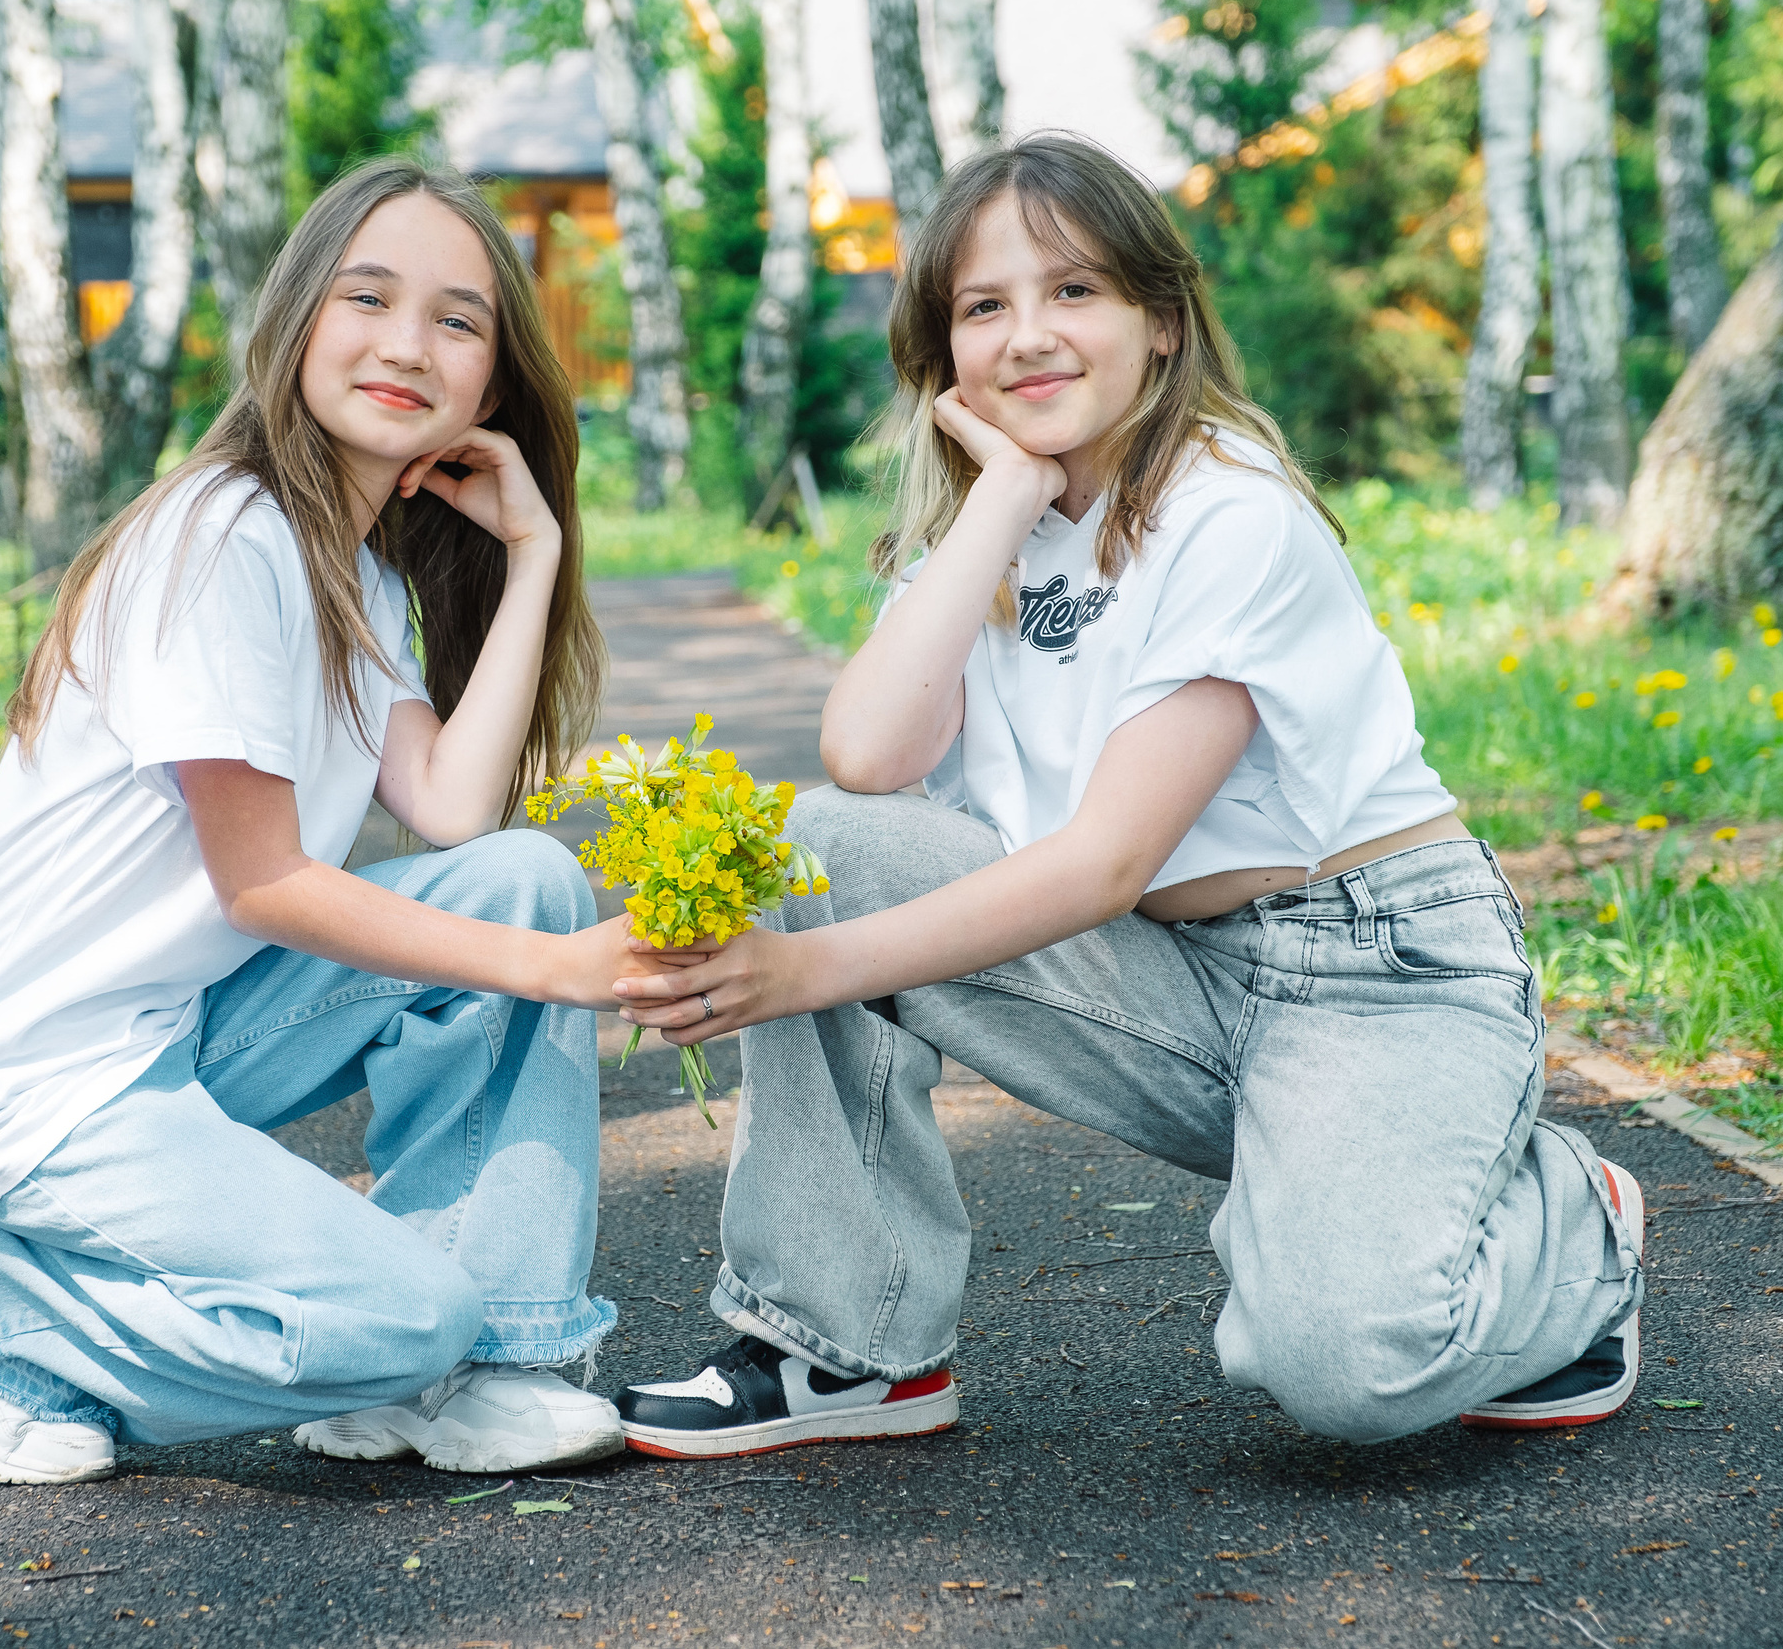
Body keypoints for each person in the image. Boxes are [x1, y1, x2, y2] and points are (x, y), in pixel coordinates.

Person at [605, 133, 1643, 1458]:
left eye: (1073, 291)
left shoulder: (1233, 514)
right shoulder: (992, 528)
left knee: (1344, 1363)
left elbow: (1101, 863)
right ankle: (844, 1343)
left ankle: (1579, 1220)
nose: (1028, 336)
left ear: (1159, 321)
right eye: (985, 307)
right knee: (826, 843)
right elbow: (867, 761)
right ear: (943, 354)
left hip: (1375, 971)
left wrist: (798, 976)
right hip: (1167, 974)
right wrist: (1002, 499)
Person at [0, 159, 655, 1484]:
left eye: (457, 320)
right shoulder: (224, 541)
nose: (407, 343)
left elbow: (453, 805)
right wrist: (558, 975)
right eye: (369, 298)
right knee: (401, 1311)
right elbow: (265, 886)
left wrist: (536, 554)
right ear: (293, 326)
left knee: (520, 877)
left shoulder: (354, 577)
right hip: (36, 1079)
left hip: (175, 1030)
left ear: (492, 387)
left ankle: (484, 1365)